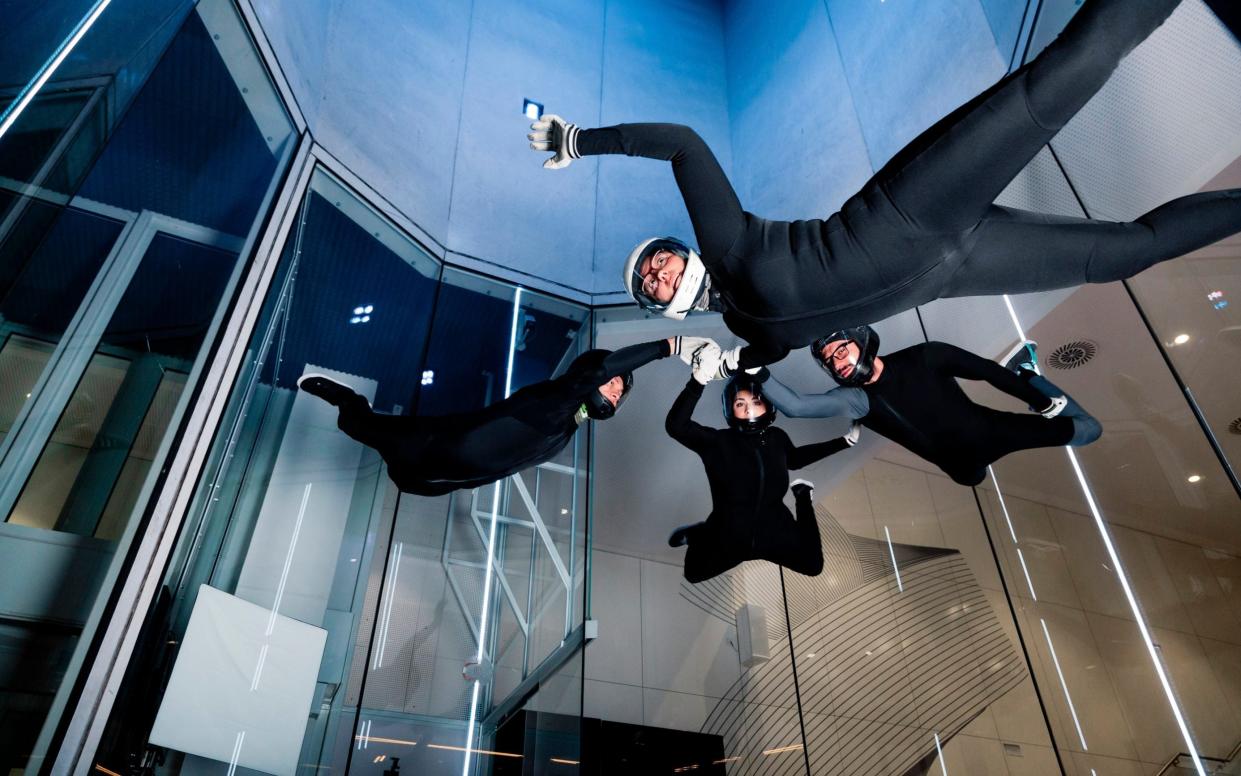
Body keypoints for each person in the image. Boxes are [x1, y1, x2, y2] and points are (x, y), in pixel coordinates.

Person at [529, 0, 1239, 371]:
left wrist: (577, 141)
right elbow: (768, 348)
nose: (657, 271)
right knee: (1120, 256)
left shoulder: (728, 247)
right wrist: (721, 361)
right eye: (648, 283)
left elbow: (683, 145)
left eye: (655, 258)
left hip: (907, 211)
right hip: (951, 273)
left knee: (1063, 76)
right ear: (664, 305)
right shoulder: (748, 332)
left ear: (681, 251)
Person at [298, 336, 711, 496]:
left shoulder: (566, 431)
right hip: (426, 441)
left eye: (622, 390)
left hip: (429, 472)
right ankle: (349, 399)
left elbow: (502, 466)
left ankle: (401, 468)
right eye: (614, 381)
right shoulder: (557, 401)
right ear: (590, 376)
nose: (616, 390)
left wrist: (450, 487)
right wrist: (669, 346)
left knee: (400, 479)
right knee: (354, 423)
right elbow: (597, 372)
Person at [760, 328, 1101, 486]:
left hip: (995, 431)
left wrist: (1040, 400)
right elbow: (796, 406)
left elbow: (988, 372)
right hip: (962, 467)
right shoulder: (855, 399)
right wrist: (749, 369)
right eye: (828, 362)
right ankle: (1028, 377)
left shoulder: (925, 356)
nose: (837, 364)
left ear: (859, 339)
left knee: (1090, 430)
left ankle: (1026, 371)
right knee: (972, 478)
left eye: (840, 351)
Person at [664, 360, 860, 583]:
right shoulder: (717, 442)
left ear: (767, 405)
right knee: (693, 573)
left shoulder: (777, 437)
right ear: (731, 409)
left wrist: (844, 442)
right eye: (740, 403)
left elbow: (794, 459)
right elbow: (676, 426)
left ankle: (803, 496)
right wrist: (698, 381)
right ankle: (699, 534)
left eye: (756, 401)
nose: (748, 408)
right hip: (730, 534)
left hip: (774, 532)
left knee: (813, 565)